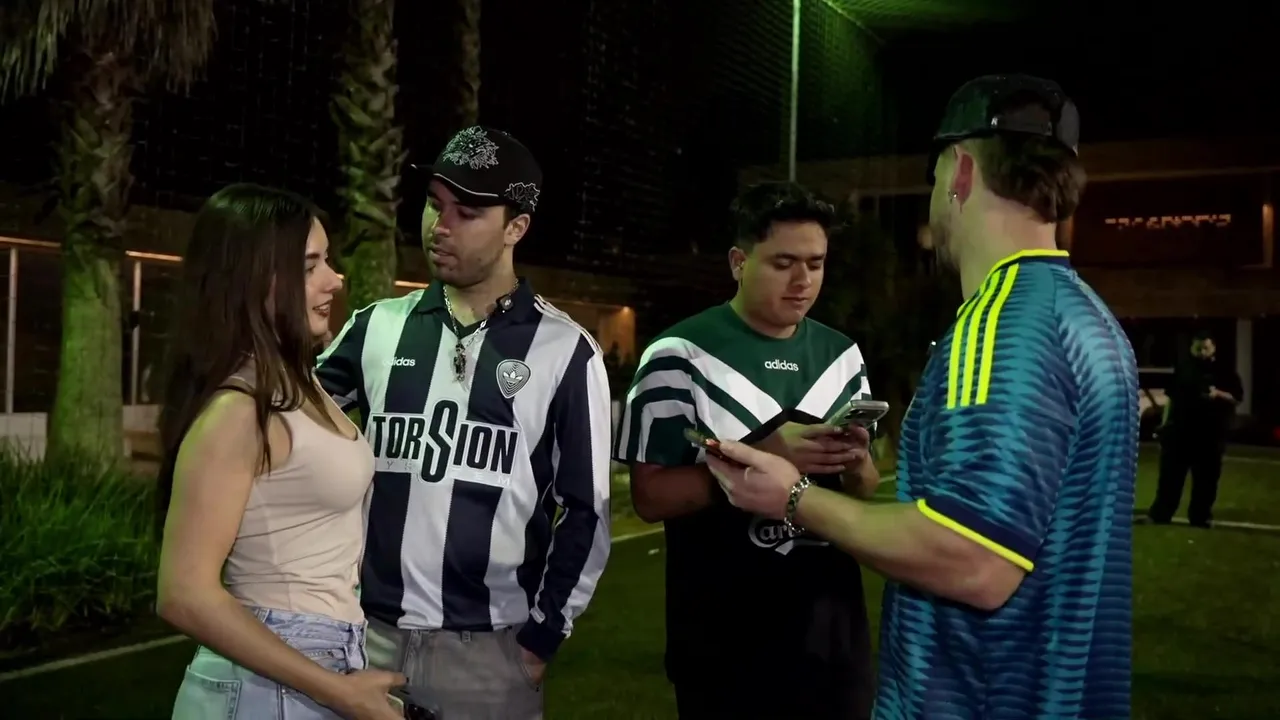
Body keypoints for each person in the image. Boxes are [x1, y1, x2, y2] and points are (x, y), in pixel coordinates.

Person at [703, 75, 1138, 719]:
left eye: (934, 178)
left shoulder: (1003, 325)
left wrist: (793, 497)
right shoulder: (1089, 317)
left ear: (960, 171)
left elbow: (973, 560)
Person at [317, 126, 613, 719]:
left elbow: (586, 510)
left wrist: (541, 639)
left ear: (516, 227)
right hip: (367, 640)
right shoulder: (375, 327)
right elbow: (284, 429)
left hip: (491, 655)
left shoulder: (566, 352)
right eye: (435, 204)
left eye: (468, 212)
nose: (440, 226)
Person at [614, 181, 880, 719]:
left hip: (833, 637)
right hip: (723, 641)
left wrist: (855, 463)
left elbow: (866, 487)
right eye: (784, 263)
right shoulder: (678, 355)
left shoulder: (842, 355)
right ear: (739, 262)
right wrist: (767, 456)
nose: (803, 281)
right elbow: (650, 497)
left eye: (816, 264)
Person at [155, 184, 405, 720]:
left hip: (313, 664)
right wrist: (335, 690)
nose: (334, 280)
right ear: (252, 279)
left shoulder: (298, 383)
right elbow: (183, 592)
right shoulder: (238, 410)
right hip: (273, 678)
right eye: (310, 266)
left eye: (327, 261)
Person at [1148, 332, 1243, 527]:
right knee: (1170, 477)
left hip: (1210, 434)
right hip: (1180, 432)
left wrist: (1218, 394)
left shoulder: (1225, 372)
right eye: (1197, 348)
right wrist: (1165, 424)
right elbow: (1171, 399)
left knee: (1206, 479)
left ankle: (1200, 517)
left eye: (1205, 348)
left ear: (1213, 348)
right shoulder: (1183, 368)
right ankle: (1160, 514)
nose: (1201, 352)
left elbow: (1237, 398)